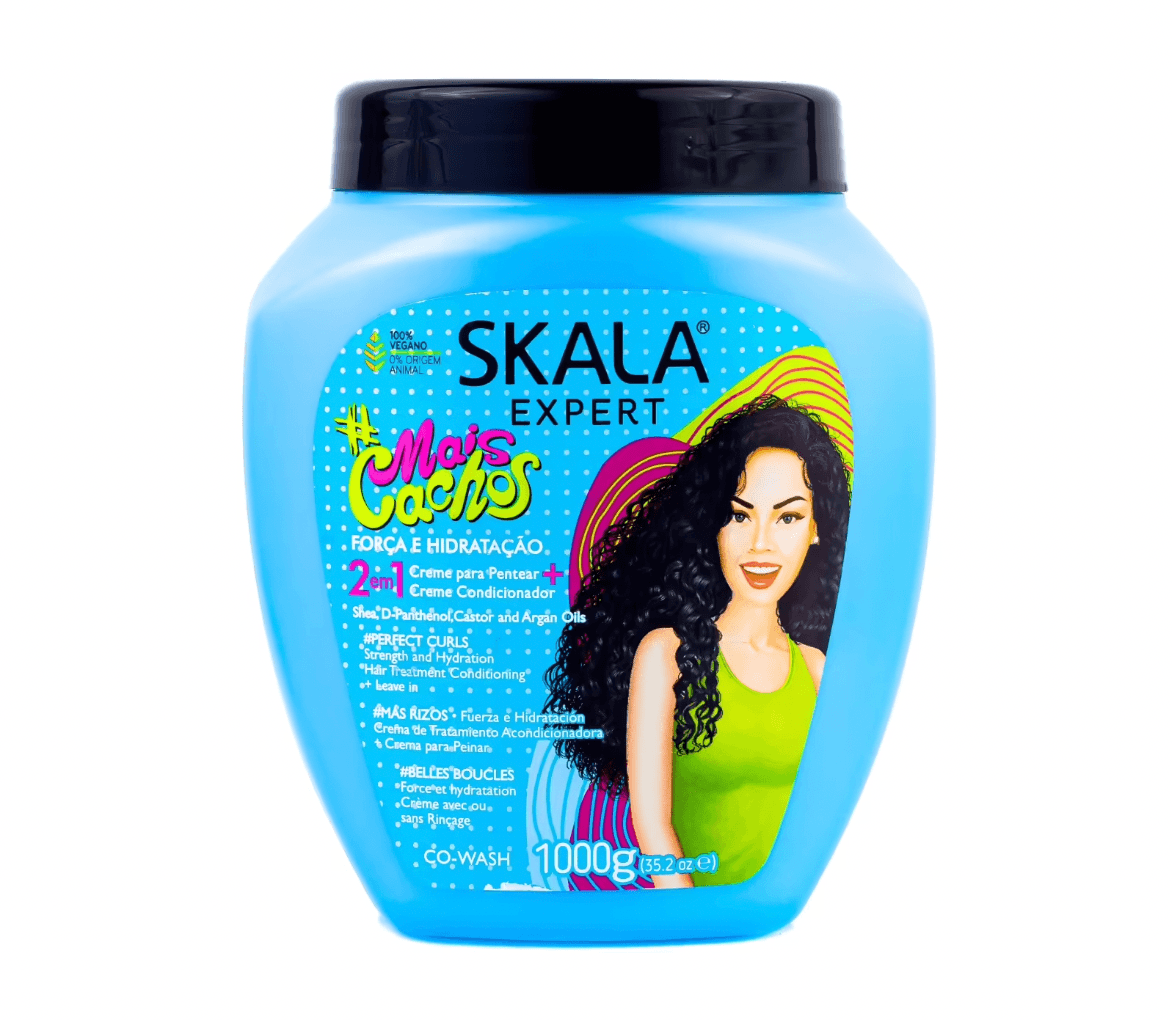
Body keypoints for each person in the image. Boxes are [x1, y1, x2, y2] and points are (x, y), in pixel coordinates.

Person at [544, 396, 851, 887]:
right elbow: (653, 828)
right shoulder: (665, 655)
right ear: (712, 524)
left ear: (817, 529)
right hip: (689, 909)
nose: (761, 544)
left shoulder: (816, 670)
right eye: (739, 515)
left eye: (788, 518)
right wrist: (691, 914)